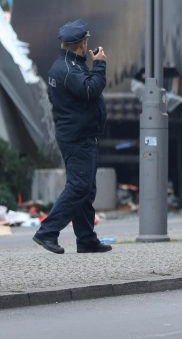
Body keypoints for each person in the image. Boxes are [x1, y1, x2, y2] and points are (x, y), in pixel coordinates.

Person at [33, 20, 112, 254]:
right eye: (86, 42)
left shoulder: (68, 65)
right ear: (81, 44)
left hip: (79, 135)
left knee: (86, 189)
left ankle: (86, 239)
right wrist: (99, 65)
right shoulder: (68, 70)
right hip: (77, 138)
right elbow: (91, 90)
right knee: (79, 187)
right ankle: (47, 232)